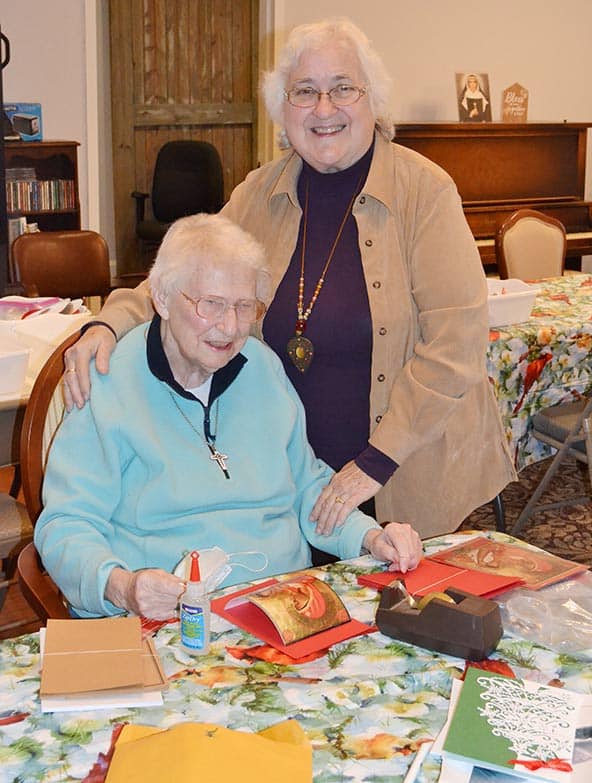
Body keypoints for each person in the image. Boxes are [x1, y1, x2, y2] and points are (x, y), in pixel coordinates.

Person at [62, 17, 515, 545]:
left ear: (372, 98)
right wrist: (108, 324)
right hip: (294, 482)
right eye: (304, 91)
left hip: (404, 472)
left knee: (400, 590)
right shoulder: (261, 192)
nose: (323, 109)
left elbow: (456, 346)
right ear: (283, 106)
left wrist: (375, 461)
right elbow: (182, 275)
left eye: (342, 88)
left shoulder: (425, 192)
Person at [35, 214, 422, 620]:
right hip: (165, 617)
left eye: (244, 307)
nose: (231, 327)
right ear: (162, 299)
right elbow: (66, 524)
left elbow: (306, 487)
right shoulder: (108, 382)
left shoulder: (263, 369)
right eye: (212, 305)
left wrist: (370, 538)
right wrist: (122, 587)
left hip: (284, 606)